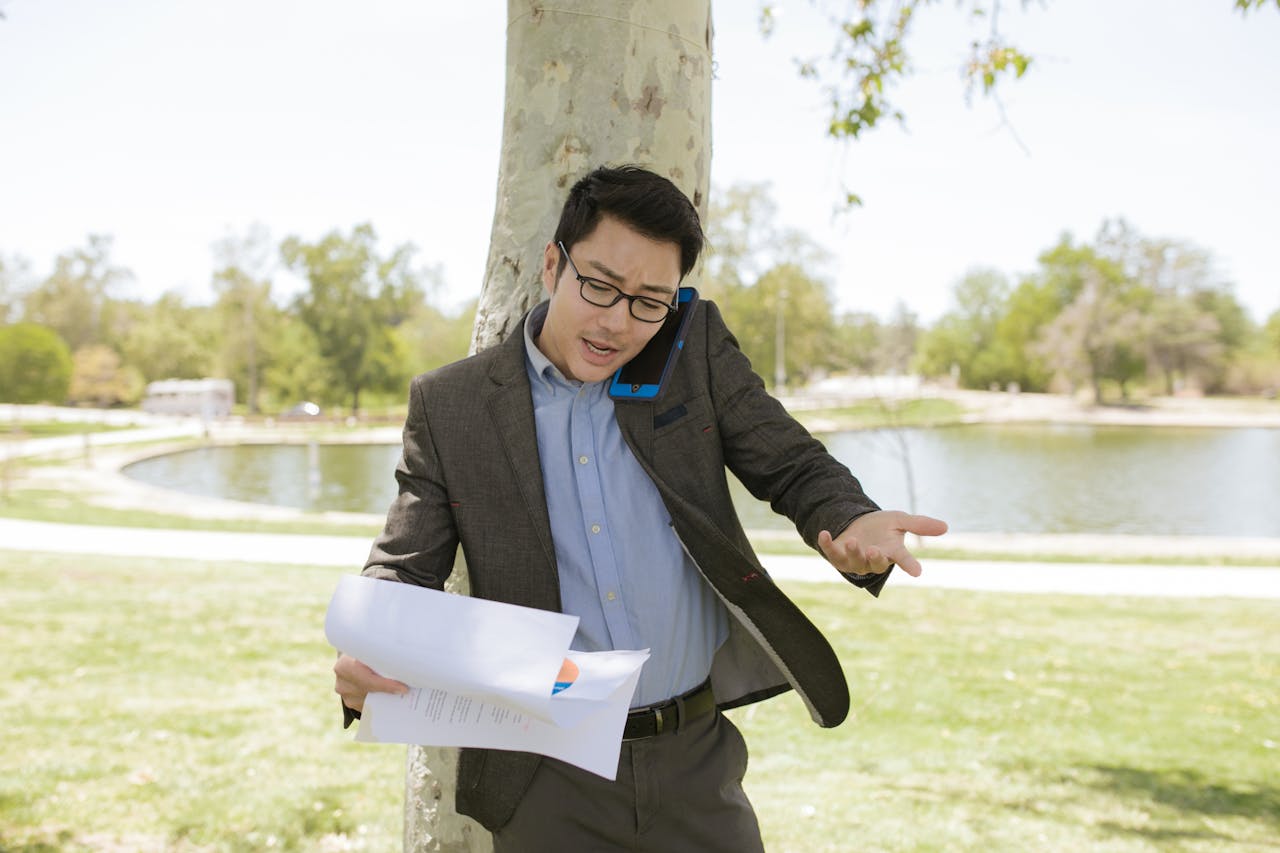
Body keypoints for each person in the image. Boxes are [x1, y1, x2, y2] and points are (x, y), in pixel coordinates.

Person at [333, 165, 947, 851]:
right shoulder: (455, 405)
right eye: (598, 286)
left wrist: (850, 515)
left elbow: (791, 462)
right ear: (551, 265)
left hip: (697, 761)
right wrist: (371, 641)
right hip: (545, 773)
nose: (618, 321)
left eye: (650, 301)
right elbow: (404, 563)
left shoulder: (692, 351)